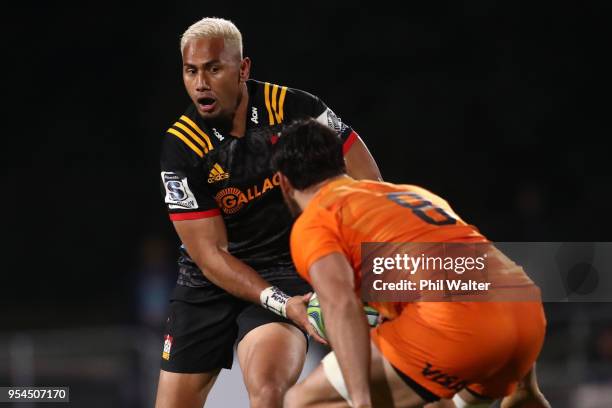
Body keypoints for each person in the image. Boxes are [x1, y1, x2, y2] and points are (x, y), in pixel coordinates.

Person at [156, 17, 382, 408]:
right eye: (190, 71)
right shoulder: (182, 145)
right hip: (208, 283)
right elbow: (211, 255)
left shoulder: (296, 109)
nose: (200, 83)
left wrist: (359, 266)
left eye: (213, 68)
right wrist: (279, 301)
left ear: (243, 68)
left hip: (284, 267)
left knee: (267, 389)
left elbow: (368, 183)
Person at [271, 118, 550, 408]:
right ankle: (524, 392)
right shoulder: (408, 194)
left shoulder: (316, 220)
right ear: (341, 162)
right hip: (523, 309)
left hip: (460, 329)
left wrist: (360, 399)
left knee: (302, 402)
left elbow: (341, 305)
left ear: (283, 181)